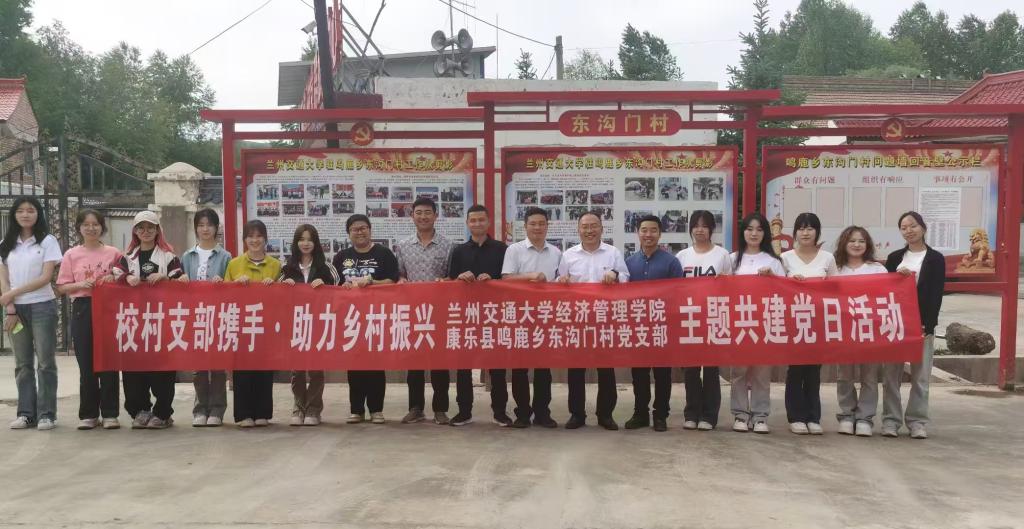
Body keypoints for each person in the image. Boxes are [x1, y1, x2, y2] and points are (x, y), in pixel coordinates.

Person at [111, 210, 185, 429]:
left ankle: (162, 413)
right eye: (141, 228)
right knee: (134, 368)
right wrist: (127, 277)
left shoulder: (168, 257)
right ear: (135, 231)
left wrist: (164, 277)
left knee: (162, 369)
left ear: (157, 230)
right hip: (133, 322)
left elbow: (182, 280)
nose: (146, 231)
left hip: (160, 321)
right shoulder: (127, 257)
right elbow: (114, 274)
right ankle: (140, 410)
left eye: (150, 227)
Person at [558, 211, 629, 430]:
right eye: (585, 226)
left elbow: (626, 278)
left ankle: (605, 414)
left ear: (601, 229)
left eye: (594, 226)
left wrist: (616, 275)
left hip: (604, 318)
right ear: (578, 229)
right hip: (577, 319)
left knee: (606, 369)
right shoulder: (568, 255)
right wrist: (562, 280)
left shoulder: (613, 253)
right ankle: (576, 414)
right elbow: (558, 282)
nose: (589, 230)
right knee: (576, 369)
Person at [56, 209, 122, 430]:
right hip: (83, 308)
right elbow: (61, 287)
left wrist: (113, 277)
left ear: (102, 227)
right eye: (86, 224)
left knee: (109, 362)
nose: (91, 228)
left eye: (95, 224)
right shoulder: (71, 254)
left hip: (109, 309)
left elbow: (124, 277)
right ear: (79, 228)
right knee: (87, 363)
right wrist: (80, 285)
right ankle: (89, 414)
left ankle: (110, 413)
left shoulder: (114, 253)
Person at [1, 197, 63, 431]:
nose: (25, 214)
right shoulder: (6, 243)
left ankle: (47, 414)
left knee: (45, 362)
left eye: (30, 210)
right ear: (14, 215)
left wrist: (13, 293)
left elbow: (45, 278)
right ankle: (26, 413)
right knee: (23, 363)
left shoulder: (47, 241)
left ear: (38, 214)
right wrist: (10, 307)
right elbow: (3, 279)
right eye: (20, 211)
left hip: (42, 306)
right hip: (15, 310)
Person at [882, 211, 945, 440]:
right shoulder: (894, 258)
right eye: (904, 227)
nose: (909, 230)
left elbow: (936, 293)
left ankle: (917, 421)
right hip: (895, 325)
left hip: (922, 325)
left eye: (913, 226)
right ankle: (891, 420)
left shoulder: (935, 259)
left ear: (923, 228)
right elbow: (884, 291)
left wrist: (928, 324)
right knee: (891, 376)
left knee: (921, 377)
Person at [393, 198, 455, 425]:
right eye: (418, 212)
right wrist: (401, 280)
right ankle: (415, 408)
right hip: (412, 311)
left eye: (428, 212)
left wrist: (446, 281)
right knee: (415, 364)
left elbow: (453, 276)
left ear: (436, 215)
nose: (423, 216)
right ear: (412, 216)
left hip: (439, 312)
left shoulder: (448, 245)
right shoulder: (403, 245)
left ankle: (440, 409)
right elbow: (399, 274)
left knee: (440, 363)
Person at [334, 214, 399, 425]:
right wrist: (342, 287)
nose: (359, 232)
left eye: (363, 228)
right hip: (350, 318)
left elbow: (392, 281)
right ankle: (356, 410)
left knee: (375, 364)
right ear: (349, 233)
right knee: (354, 365)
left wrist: (371, 282)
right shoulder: (341, 256)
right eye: (355, 229)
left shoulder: (384, 254)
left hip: (377, 316)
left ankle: (376, 409)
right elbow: (334, 286)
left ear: (370, 230)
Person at [447, 205, 508, 427]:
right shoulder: (458, 251)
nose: (477, 224)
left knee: (497, 366)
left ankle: (500, 412)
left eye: (481, 220)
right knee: (463, 366)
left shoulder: (502, 249)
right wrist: (460, 278)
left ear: (488, 222)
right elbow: (450, 281)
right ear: (467, 223)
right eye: (473, 220)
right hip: (466, 315)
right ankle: (464, 411)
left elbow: (508, 280)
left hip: (495, 314)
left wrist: (493, 281)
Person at [501, 207, 561, 428]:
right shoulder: (514, 250)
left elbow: (560, 283)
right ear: (525, 226)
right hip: (520, 315)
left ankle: (543, 412)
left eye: (541, 224)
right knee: (520, 368)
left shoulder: (556, 252)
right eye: (533, 224)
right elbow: (506, 279)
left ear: (547, 226)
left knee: (544, 369)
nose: (537, 227)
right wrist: (530, 276)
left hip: (546, 315)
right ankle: (523, 413)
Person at [779, 212, 838, 435]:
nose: (805, 233)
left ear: (817, 232)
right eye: (801, 228)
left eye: (810, 228)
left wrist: (826, 285)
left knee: (813, 370)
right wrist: (790, 282)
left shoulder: (827, 258)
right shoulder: (785, 258)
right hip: (794, 321)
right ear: (795, 233)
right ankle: (795, 416)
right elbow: (776, 288)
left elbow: (838, 288)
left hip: (819, 321)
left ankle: (813, 417)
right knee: (795, 370)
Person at [624, 215, 682, 432]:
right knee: (639, 374)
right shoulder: (628, 263)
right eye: (644, 230)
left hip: (662, 328)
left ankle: (660, 415)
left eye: (653, 230)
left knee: (662, 374)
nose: (648, 235)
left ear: (660, 233)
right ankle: (640, 413)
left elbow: (679, 294)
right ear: (637, 233)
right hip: (638, 327)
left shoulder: (671, 262)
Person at [675, 210, 732, 431]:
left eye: (705, 226)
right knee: (690, 370)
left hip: (713, 317)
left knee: (710, 369)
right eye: (696, 225)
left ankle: (709, 415)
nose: (700, 230)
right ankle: (691, 413)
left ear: (711, 229)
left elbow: (732, 285)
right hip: (689, 318)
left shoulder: (722, 255)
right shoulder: (682, 256)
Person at [728, 212, 785, 434]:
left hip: (765, 322)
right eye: (749, 229)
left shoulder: (774, 261)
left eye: (759, 229)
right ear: (742, 232)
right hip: (739, 322)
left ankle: (760, 415)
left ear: (765, 233)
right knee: (739, 372)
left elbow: (784, 292)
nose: (754, 233)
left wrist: (772, 279)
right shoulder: (732, 259)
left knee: (762, 372)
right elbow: (722, 289)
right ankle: (740, 414)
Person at [280, 224, 339, 426]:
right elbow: (276, 294)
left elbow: (339, 290)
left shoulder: (326, 267)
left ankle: (313, 409)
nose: (305, 243)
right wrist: (285, 286)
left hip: (318, 324)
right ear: (296, 242)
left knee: (315, 369)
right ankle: (299, 407)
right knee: (297, 370)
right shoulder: (287, 267)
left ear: (316, 242)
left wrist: (325, 285)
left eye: (309, 239)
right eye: (301, 239)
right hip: (295, 324)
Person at [225, 220, 281, 428]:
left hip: (266, 325)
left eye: (259, 236)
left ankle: (262, 413)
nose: (255, 240)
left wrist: (275, 285)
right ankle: (243, 414)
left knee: (264, 370)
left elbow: (283, 295)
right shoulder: (234, 264)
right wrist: (235, 284)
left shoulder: (275, 265)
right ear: (244, 240)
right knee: (243, 371)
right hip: (241, 325)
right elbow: (224, 295)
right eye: (250, 236)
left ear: (265, 239)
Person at [832, 225, 887, 437]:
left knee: (869, 376)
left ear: (868, 245)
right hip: (843, 329)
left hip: (869, 330)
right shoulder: (836, 268)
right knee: (844, 375)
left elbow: (888, 296)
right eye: (852, 240)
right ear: (844, 243)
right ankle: (847, 415)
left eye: (861, 241)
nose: (857, 245)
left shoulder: (877, 269)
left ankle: (865, 417)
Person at [180, 208, 232, 427]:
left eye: (209, 225)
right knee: (199, 366)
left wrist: (224, 283)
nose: (205, 229)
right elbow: (179, 287)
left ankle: (217, 410)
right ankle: (200, 409)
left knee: (218, 366)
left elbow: (232, 287)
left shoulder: (226, 256)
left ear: (216, 228)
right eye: (200, 225)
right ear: (195, 228)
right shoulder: (187, 256)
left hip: (219, 316)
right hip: (195, 316)